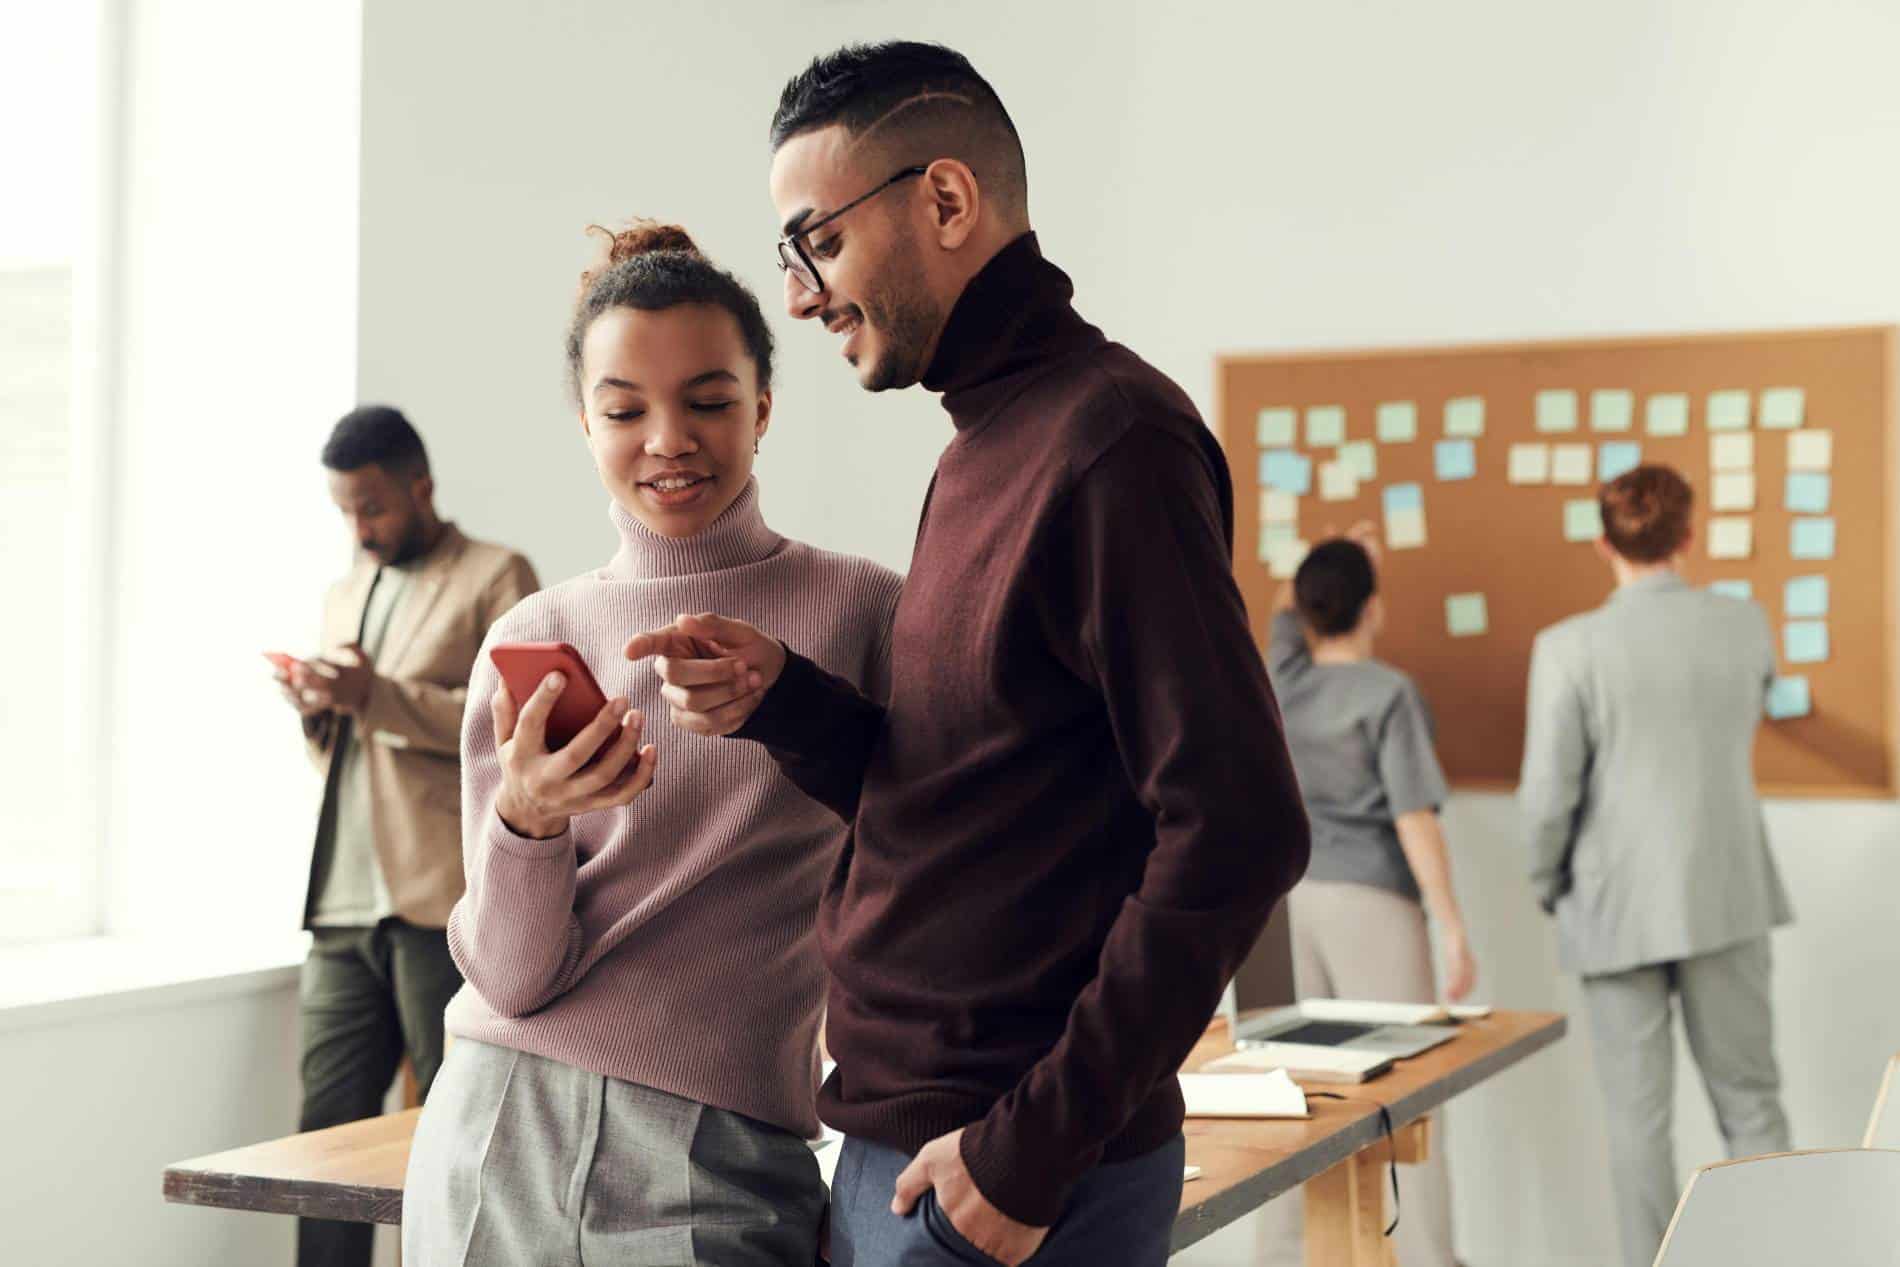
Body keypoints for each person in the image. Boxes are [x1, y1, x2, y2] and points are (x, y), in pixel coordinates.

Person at [630, 42, 1310, 1267]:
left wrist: (1025, 1157)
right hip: (915, 1153)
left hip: (1000, 1171)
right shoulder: (982, 448)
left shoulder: (1112, 442)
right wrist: (786, 702)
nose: (798, 297)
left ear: (945, 200)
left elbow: (1241, 825)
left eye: (816, 245)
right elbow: (973, 801)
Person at [400, 221, 903, 1267]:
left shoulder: (862, 609)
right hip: (503, 1125)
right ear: (584, 425)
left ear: (764, 406)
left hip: (724, 1139)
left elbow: (944, 838)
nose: (668, 439)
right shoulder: (531, 638)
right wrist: (528, 821)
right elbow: (509, 977)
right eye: (624, 410)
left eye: (709, 401)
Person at [273, 404, 538, 1267]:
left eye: (373, 506)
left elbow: (512, 724)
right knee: (325, 1142)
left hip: (438, 903)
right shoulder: (346, 589)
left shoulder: (498, 576)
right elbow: (353, 754)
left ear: (420, 487)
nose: (361, 527)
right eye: (346, 510)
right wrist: (320, 710)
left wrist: (373, 696)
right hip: (343, 904)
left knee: (456, 1130)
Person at [1519, 463, 1794, 1267]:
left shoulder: (1568, 647)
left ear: (1603, 542)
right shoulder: (1746, 624)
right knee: (1753, 1105)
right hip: (1727, 891)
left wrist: (1545, 879)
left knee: (1639, 1127)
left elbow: (1546, 796)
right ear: (1689, 533)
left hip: (1613, 904)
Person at [1263, 522, 1475, 1267]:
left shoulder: (1281, 677)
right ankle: (1427, 1258)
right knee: (1412, 1099)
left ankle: (1284, 1257)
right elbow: (1413, 815)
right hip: (1371, 908)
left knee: (1293, 1102)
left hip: (1287, 908)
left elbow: (1285, 610)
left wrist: (1326, 560)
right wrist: (1451, 924)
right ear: (1373, 608)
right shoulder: (1388, 693)